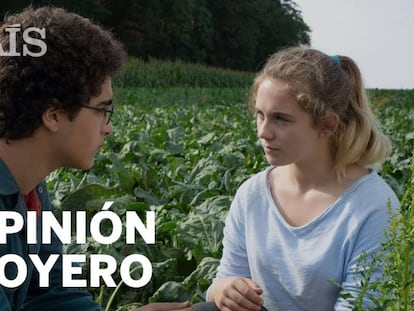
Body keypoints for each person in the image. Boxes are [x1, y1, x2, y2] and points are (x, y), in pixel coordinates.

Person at [0, 6, 193, 311]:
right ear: (53, 115)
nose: (109, 127)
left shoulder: (32, 189)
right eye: (103, 110)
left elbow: (52, 295)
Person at [203, 47, 399, 310]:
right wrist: (223, 290)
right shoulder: (251, 194)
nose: (264, 132)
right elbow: (226, 277)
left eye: (280, 119)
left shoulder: (373, 206)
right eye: (259, 115)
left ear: (328, 125)